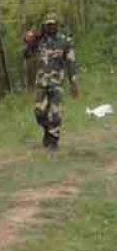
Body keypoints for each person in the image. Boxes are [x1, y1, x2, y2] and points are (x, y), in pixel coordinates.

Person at [23, 13, 78, 150]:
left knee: (56, 113)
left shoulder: (65, 41)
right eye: (48, 25)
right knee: (39, 112)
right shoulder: (39, 41)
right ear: (44, 26)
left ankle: (53, 141)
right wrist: (29, 42)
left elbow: (71, 63)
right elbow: (27, 55)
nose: (51, 27)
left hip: (57, 82)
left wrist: (73, 82)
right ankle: (48, 130)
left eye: (53, 24)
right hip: (41, 82)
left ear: (57, 25)